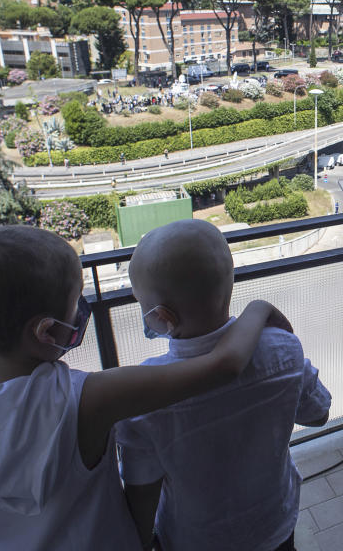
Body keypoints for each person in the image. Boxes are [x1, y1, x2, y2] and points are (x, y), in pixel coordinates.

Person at [0, 225, 289, 550]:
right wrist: (259, 307)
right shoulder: (88, 399)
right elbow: (223, 366)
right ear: (47, 331)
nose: (81, 311)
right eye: (75, 305)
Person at [116, 220, 331, 551]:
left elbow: (142, 495)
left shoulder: (144, 398)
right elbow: (318, 414)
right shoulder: (282, 349)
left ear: (161, 318)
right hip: (274, 526)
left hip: (195, 540)